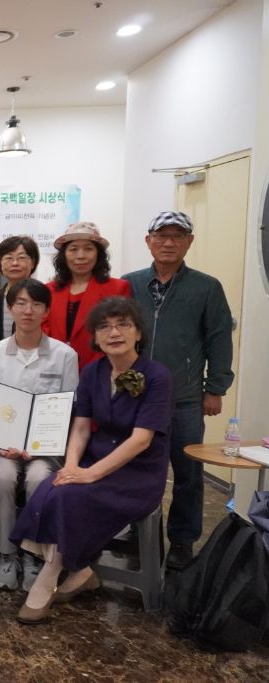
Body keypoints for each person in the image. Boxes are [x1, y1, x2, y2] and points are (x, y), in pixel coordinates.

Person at [13, 298, 172, 624]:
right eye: (104, 327)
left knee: (69, 497)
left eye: (123, 325)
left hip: (138, 473)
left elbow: (141, 440)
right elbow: (82, 426)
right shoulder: (92, 372)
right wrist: (72, 466)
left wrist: (90, 475)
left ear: (138, 332)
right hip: (95, 457)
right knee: (51, 487)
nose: (114, 333)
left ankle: (47, 579)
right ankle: (81, 571)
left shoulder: (157, 376)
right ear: (96, 337)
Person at [124, 211, 234, 569]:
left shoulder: (206, 287)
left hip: (184, 398)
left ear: (189, 242)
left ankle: (183, 541)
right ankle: (139, 533)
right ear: (148, 241)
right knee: (136, 468)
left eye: (177, 236)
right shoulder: (130, 284)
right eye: (161, 235)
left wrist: (215, 388)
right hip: (135, 397)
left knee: (188, 474)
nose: (168, 242)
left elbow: (219, 339)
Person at [0, 279, 79, 591]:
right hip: (4, 447)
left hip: (46, 448)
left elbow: (68, 409)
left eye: (36, 304)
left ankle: (34, 555)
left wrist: (38, 446)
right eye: (20, 303)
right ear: (10, 308)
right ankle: (7, 555)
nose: (28, 310)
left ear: (46, 311)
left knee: (38, 479)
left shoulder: (64, 355)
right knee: (4, 478)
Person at [42, 222, 130, 370]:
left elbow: (120, 333)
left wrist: (94, 370)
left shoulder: (118, 288)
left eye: (88, 249)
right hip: (53, 369)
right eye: (73, 249)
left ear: (98, 254)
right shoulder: (48, 290)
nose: (81, 256)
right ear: (64, 255)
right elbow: (43, 332)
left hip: (100, 370)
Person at [0, 236, 41, 346]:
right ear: (0, 263)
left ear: (33, 263)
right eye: (9, 258)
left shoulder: (43, 296)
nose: (15, 263)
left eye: (21, 257)